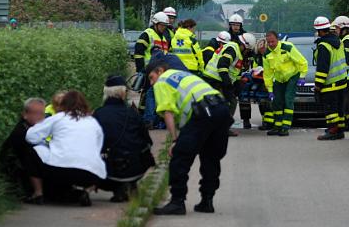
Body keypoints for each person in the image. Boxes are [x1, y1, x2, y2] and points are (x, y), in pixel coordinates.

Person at [148, 60, 234, 215]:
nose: (151, 83)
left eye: (151, 77)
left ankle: (177, 202)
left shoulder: (162, 81)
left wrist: (175, 141)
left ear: (160, 70)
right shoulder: (185, 75)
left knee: (180, 157)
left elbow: (167, 112)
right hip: (221, 109)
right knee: (211, 158)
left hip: (203, 113)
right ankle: (207, 201)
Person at [24, 90, 107, 206]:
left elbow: (30, 136)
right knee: (99, 160)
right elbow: (98, 146)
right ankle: (87, 191)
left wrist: (46, 144)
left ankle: (38, 193)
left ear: (64, 104)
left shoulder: (58, 118)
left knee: (33, 150)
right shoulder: (93, 122)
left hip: (59, 171)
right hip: (90, 175)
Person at [93, 76, 156, 202]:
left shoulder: (98, 114)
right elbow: (148, 141)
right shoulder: (132, 114)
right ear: (123, 93)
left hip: (108, 170)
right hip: (135, 168)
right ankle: (130, 183)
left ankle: (118, 188)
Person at [202, 31, 256, 136]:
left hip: (218, 79)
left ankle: (219, 127)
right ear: (243, 45)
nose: (248, 53)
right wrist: (228, 85)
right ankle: (221, 128)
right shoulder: (233, 49)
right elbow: (222, 66)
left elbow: (234, 73)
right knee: (228, 102)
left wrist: (238, 86)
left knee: (227, 102)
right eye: (248, 50)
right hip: (214, 79)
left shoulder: (237, 52)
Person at [262, 30, 308, 137]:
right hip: (279, 79)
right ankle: (277, 126)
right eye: (268, 42)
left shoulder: (287, 47)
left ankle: (285, 127)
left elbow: (302, 61)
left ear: (277, 40)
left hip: (292, 76)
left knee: (288, 98)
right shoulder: (266, 54)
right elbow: (268, 74)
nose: (271, 44)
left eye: (273, 42)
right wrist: (270, 90)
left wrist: (302, 76)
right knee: (276, 101)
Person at [0, 98, 47, 196]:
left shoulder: (33, 129)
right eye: (35, 113)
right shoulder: (22, 132)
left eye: (42, 114)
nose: (40, 117)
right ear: (25, 114)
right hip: (18, 172)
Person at [313, 16, 348, 140]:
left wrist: (318, 85)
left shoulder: (323, 45)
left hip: (330, 84)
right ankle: (340, 130)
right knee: (339, 108)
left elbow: (323, 68)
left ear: (320, 31)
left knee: (330, 109)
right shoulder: (338, 41)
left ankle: (332, 131)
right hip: (342, 82)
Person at [135, 12, 172, 129]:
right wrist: (141, 69)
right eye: (162, 25)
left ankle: (152, 119)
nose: (164, 28)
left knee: (154, 95)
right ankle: (147, 119)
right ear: (155, 24)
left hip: (161, 72)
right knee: (149, 94)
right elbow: (138, 52)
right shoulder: (147, 34)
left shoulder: (164, 37)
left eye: (165, 26)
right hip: (149, 71)